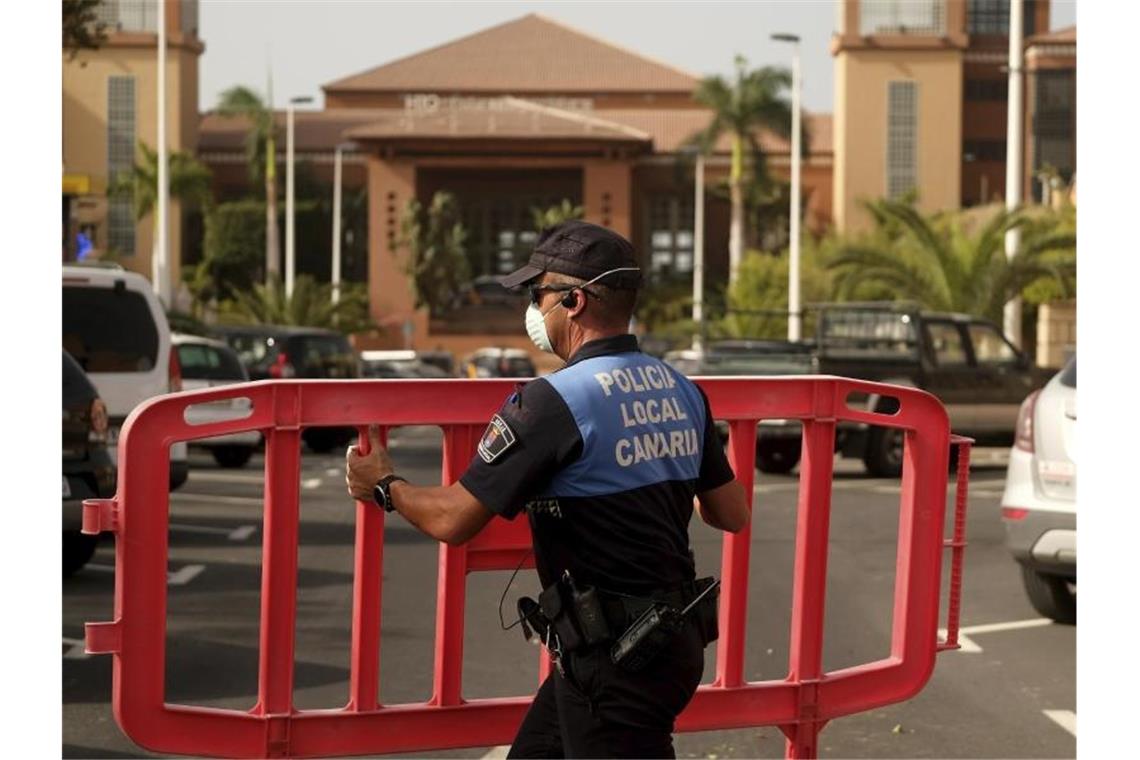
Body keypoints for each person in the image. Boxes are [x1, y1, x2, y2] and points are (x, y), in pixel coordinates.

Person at [346, 220, 749, 758]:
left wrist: (385, 486)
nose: (534, 311)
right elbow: (730, 512)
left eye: (539, 296)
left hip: (617, 661)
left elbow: (454, 518)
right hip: (661, 642)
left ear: (575, 301)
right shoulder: (681, 389)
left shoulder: (553, 402)